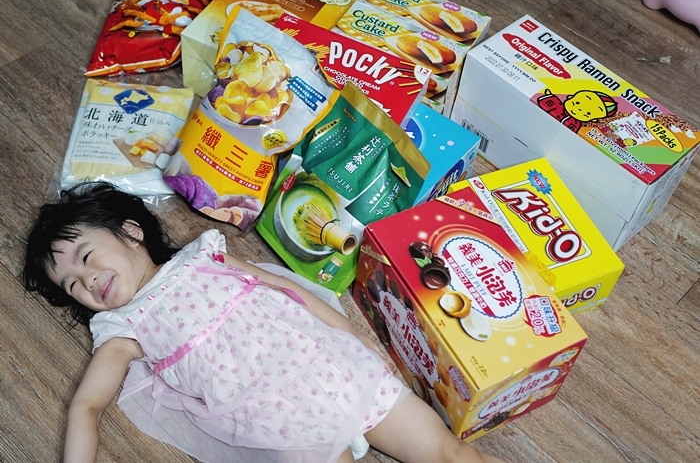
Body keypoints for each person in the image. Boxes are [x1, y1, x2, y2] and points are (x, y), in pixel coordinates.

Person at [22, 183, 506, 463]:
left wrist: (350, 338)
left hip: (334, 369)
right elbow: (86, 405)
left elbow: (283, 288)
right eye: (72, 285)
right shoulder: (121, 329)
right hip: (280, 423)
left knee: (447, 452)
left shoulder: (204, 254)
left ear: (130, 232)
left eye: (85, 257)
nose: (86, 280)